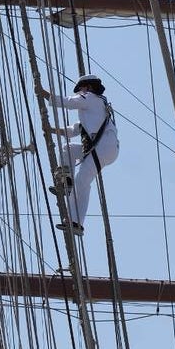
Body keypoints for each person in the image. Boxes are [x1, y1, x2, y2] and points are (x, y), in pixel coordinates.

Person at [45, 75, 119, 235]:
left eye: (81, 89)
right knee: (68, 149)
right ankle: (67, 179)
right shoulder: (94, 111)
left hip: (103, 146)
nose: (79, 93)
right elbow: (75, 130)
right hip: (101, 146)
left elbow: (69, 102)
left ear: (89, 88)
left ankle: (75, 222)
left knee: (82, 182)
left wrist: (46, 95)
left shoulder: (90, 98)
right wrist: (51, 130)